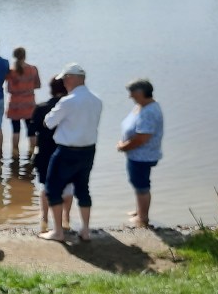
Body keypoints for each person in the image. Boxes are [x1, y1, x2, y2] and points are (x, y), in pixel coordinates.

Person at [39, 63, 103, 242]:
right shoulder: (97, 100)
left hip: (67, 150)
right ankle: (85, 230)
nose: (65, 83)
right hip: (88, 150)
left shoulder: (68, 101)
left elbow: (49, 122)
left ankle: (58, 231)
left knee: (52, 189)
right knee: (83, 189)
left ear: (73, 78)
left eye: (66, 79)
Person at [117, 78, 164, 228]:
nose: (130, 96)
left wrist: (124, 146)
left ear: (140, 92)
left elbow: (142, 137)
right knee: (138, 183)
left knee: (141, 185)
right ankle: (139, 211)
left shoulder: (149, 111)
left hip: (142, 156)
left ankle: (143, 218)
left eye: (132, 93)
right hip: (138, 155)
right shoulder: (142, 106)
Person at [30, 76, 73, 234]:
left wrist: (35, 149)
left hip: (45, 151)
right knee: (68, 187)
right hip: (67, 150)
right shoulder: (72, 108)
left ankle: (44, 218)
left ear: (51, 88)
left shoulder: (41, 108)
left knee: (44, 186)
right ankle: (66, 218)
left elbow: (32, 134)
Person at [5, 46, 41, 157]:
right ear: (25, 56)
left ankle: (15, 155)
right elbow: (38, 85)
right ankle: (33, 155)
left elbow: (8, 89)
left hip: (15, 104)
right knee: (31, 131)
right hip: (29, 104)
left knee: (15, 130)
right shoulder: (33, 69)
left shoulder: (11, 71)